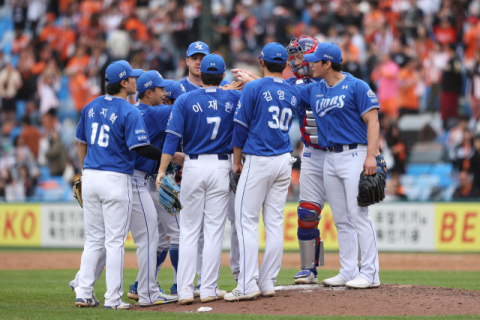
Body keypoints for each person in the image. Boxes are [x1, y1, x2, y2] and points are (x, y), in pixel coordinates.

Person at [74, 60, 167, 309]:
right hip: (116, 178)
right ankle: (112, 299)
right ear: (123, 82)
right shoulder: (130, 110)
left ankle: (83, 292)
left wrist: (85, 170)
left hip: (91, 175)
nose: (136, 81)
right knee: (114, 241)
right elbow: (142, 149)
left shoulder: (90, 107)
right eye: (133, 78)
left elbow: (81, 144)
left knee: (94, 239)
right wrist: (169, 156)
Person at [157, 54, 239, 305]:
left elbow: (171, 138)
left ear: (200, 74)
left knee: (189, 231)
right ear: (223, 75)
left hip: (192, 165)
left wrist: (161, 170)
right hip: (221, 166)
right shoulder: (234, 97)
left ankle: (183, 290)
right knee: (214, 231)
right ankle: (208, 289)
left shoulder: (184, 99)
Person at [301, 43, 381, 288]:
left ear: (327, 64)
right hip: (329, 157)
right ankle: (348, 270)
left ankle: (370, 273)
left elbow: (373, 120)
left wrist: (371, 156)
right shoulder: (315, 89)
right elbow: (285, 90)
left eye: (315, 61)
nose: (310, 64)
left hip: (355, 153)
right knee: (341, 219)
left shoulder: (356, 85)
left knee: (358, 214)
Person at [224, 43, 298, 301]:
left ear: (261, 61)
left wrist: (235, 161)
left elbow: (240, 127)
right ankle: (267, 282)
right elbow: (277, 87)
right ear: (286, 65)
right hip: (284, 159)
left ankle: (246, 284)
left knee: (246, 223)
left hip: (259, 158)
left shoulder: (254, 87)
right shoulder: (291, 90)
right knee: (274, 224)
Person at [126, 71, 183, 303]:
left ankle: (141, 285)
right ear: (149, 92)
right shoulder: (155, 112)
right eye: (161, 91)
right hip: (145, 180)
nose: (164, 95)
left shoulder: (132, 110)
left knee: (155, 238)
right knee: (176, 233)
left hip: (132, 177)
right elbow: (186, 105)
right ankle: (180, 285)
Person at [285, 36, 327, 285]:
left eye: (301, 56)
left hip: (338, 152)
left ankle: (360, 267)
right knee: (306, 212)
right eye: (295, 56)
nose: (297, 61)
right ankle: (309, 268)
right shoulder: (294, 83)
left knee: (349, 213)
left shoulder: (330, 80)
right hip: (311, 151)